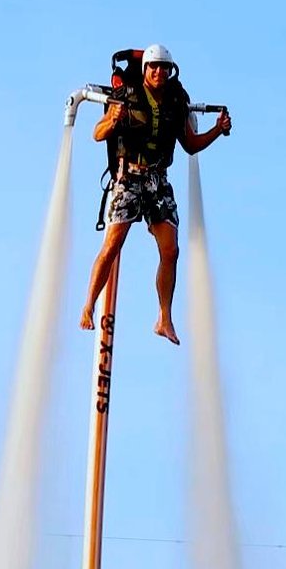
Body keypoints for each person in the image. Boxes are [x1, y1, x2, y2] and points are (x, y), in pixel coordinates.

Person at [79, 43, 232, 346]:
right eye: (153, 67)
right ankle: (88, 305)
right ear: (146, 69)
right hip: (129, 176)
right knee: (112, 245)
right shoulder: (127, 96)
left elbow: (190, 144)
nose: (159, 72)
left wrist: (217, 130)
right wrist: (114, 119)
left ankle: (164, 317)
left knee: (171, 250)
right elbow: (98, 133)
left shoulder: (177, 102)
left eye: (164, 68)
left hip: (157, 179)